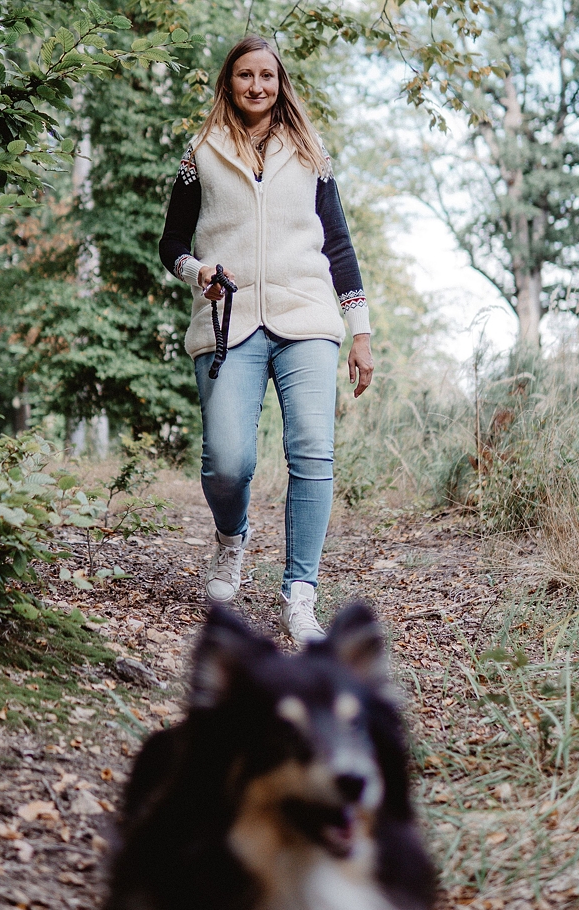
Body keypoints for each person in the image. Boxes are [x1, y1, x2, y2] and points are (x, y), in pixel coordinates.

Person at [159, 35, 374, 645]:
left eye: (268, 77)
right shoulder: (199, 152)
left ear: (281, 84)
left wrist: (360, 331)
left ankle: (299, 593)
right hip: (228, 321)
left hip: (305, 317)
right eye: (245, 76)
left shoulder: (311, 154)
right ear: (229, 82)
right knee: (228, 462)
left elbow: (339, 248)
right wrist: (195, 270)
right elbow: (170, 241)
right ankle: (232, 538)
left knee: (312, 452)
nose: (257, 86)